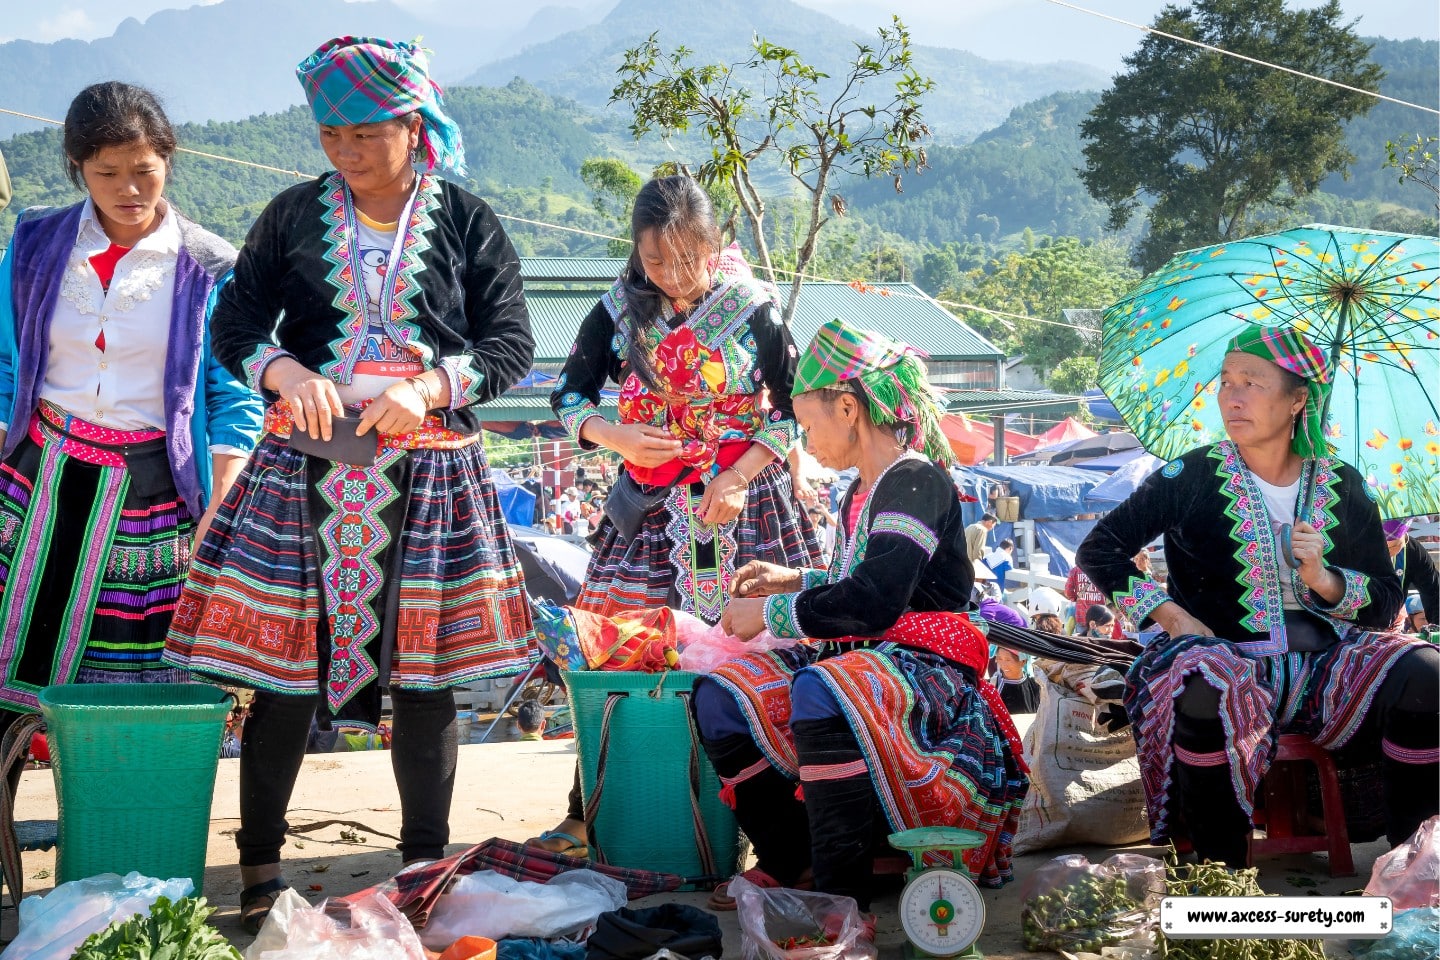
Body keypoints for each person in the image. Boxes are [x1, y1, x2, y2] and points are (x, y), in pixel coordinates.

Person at [162, 38, 537, 933]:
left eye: (365, 133)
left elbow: (511, 343)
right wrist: (284, 371)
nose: (346, 150)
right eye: (332, 134)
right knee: (285, 674)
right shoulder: (294, 214)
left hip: (430, 470)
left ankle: (422, 867)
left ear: (414, 125)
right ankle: (260, 865)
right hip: (305, 467)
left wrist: (431, 386)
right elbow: (235, 322)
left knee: (426, 677)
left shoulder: (467, 221)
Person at [696, 317, 1027, 912]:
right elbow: (857, 583)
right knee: (719, 695)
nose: (804, 443)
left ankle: (839, 897)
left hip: (928, 669)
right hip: (862, 656)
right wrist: (792, 578)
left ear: (847, 408)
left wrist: (772, 611)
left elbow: (876, 601)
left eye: (806, 425)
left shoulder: (917, 480)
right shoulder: (858, 492)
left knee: (822, 688)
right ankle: (789, 856)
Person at [1076, 326, 1437, 867]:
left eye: (1252, 383)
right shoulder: (1190, 475)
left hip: (1329, 668)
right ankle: (1219, 876)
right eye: (1226, 383)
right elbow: (1099, 549)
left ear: (1297, 401)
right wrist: (1172, 618)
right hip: (1226, 656)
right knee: (1206, 685)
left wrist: (1324, 578)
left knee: (1428, 673)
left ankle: (1413, 865)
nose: (1232, 397)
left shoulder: (1343, 483)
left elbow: (1386, 601)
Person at [537, 176, 819, 858]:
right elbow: (568, 396)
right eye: (655, 260)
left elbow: (793, 409)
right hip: (647, 515)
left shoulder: (752, 309)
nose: (671, 274)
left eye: (687, 259)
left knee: (760, 652)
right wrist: (616, 437)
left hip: (746, 509)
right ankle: (592, 809)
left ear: (715, 245)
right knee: (624, 651)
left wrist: (739, 474)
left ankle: (766, 819)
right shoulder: (618, 308)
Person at [0, 82, 263, 730]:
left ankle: (112, 795)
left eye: (144, 170)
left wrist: (220, 505)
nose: (128, 189)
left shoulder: (208, 267)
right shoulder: (34, 245)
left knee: (128, 695)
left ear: (167, 160)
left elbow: (232, 394)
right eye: (106, 172)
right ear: (77, 167)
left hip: (149, 497)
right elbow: (6, 363)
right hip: (32, 482)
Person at [1385, 519, 1438, 628]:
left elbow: (1433, 592)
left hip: (1392, 623)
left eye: (1393, 546)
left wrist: (1436, 627)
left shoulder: (1413, 551)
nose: (1387, 552)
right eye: (1382, 547)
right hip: (1354, 624)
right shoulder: (1356, 546)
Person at [993, 648, 1040, 714]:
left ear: (1023, 661)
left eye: (1008, 660)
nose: (1003, 664)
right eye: (1000, 659)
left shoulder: (1037, 686)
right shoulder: (992, 687)